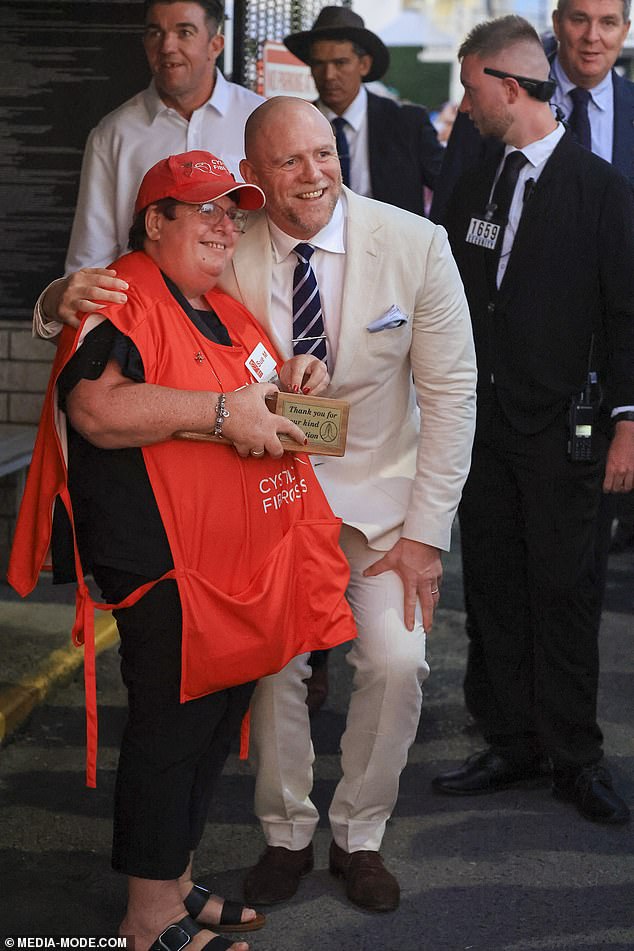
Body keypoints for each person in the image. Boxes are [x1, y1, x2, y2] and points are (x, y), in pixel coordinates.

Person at [34, 97, 477, 912]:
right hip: (265, 509)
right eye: (287, 162)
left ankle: (361, 834)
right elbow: (137, 290)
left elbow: (452, 394)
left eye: (323, 153)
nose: (311, 174)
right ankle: (284, 830)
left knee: (396, 661)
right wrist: (53, 297)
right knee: (269, 674)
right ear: (256, 176)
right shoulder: (226, 243)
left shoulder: (415, 243)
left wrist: (426, 534)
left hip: (382, 506)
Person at [9, 151, 358, 950]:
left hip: (228, 566)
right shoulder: (121, 294)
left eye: (231, 211)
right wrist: (216, 411)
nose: (223, 223)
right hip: (163, 562)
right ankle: (148, 915)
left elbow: (253, 393)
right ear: (154, 221)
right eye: (200, 209)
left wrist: (293, 380)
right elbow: (97, 410)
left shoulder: (220, 306)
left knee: (211, 721)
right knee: (172, 730)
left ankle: (174, 878)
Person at [431, 16, 634, 824]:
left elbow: (626, 316)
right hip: (485, 430)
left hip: (565, 433)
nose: (464, 101)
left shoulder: (602, 190)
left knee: (565, 590)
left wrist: (628, 422)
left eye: (470, 84)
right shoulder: (479, 175)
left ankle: (575, 755)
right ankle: (511, 739)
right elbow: (450, 287)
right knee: (494, 587)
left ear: (509, 86)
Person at [63, 0, 264, 274]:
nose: (167, 46)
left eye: (185, 32)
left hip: (243, 307)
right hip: (142, 308)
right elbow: (90, 260)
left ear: (215, 45)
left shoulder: (259, 120)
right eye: (156, 33)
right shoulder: (112, 134)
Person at [430, 0, 634, 221]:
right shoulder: (488, 96)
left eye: (608, 22)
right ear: (556, 23)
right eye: (579, 19)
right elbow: (449, 204)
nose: (592, 36)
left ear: (625, 30)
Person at [283, 6, 444, 216]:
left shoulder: (407, 123)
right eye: (319, 64)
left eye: (340, 63)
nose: (329, 75)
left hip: (392, 244)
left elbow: (450, 188)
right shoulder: (295, 125)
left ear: (364, 65)